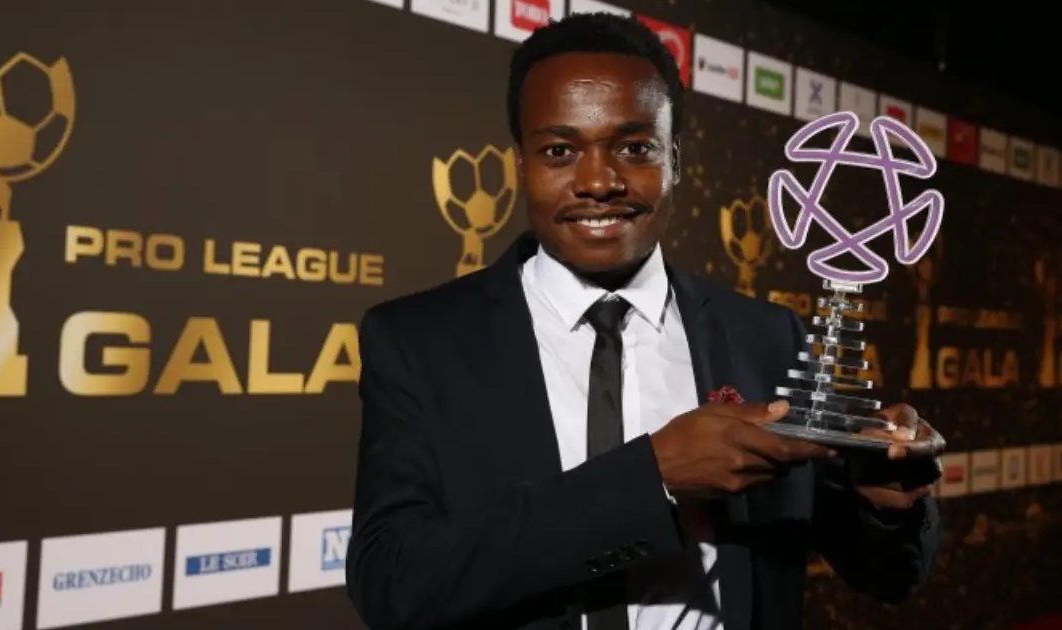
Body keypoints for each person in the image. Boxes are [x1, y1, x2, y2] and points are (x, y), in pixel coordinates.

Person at [346, 12, 942, 630]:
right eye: (560, 151)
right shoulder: (419, 343)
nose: (598, 181)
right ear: (520, 164)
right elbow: (393, 584)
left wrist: (887, 503)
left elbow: (890, 574)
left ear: (675, 159)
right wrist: (652, 477)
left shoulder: (767, 338)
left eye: (634, 148)